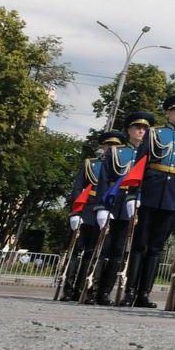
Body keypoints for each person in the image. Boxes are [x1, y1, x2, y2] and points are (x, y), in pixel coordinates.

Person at [122, 94, 175, 308]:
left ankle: (144, 293)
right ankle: (130, 292)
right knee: (139, 245)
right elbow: (140, 164)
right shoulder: (154, 133)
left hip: (173, 195)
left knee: (156, 248)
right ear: (168, 112)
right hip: (150, 191)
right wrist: (134, 194)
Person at [87, 112, 150, 305]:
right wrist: (101, 206)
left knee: (118, 251)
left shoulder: (149, 154)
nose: (141, 131)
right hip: (113, 201)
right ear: (129, 130)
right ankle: (91, 290)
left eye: (144, 128)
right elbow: (104, 180)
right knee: (102, 248)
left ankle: (105, 292)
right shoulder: (116, 152)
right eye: (137, 127)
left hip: (130, 205)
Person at [59, 129, 125, 301]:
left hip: (105, 209)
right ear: (103, 146)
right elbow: (78, 188)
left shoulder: (119, 166)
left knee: (93, 251)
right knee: (75, 250)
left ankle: (83, 288)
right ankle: (68, 289)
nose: (111, 149)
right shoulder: (90, 164)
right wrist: (75, 211)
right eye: (109, 145)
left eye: (115, 146)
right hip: (86, 208)